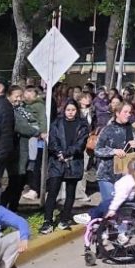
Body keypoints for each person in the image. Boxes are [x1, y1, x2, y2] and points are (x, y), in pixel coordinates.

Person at [81, 159, 135, 266]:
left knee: (101, 208)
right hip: (128, 208)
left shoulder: (125, 181)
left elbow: (119, 198)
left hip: (118, 206)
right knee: (105, 206)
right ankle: (111, 233)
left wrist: (112, 209)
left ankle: (92, 220)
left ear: (128, 168)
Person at [40, 100, 89, 234]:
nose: (70, 112)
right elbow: (53, 140)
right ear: (64, 110)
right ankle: (47, 221)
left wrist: (68, 153)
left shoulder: (82, 125)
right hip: (57, 161)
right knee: (53, 191)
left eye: (73, 110)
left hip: (74, 161)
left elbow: (81, 144)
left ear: (77, 110)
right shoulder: (57, 123)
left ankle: (65, 218)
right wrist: (59, 153)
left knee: (70, 192)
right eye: (68, 110)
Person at [93, 103, 135, 212]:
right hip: (107, 175)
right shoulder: (107, 129)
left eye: (130, 112)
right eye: (125, 112)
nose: (128, 115)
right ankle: (106, 227)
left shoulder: (132, 130)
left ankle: (120, 228)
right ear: (117, 113)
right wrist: (113, 151)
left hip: (125, 175)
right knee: (111, 206)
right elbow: (97, 150)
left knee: (123, 208)